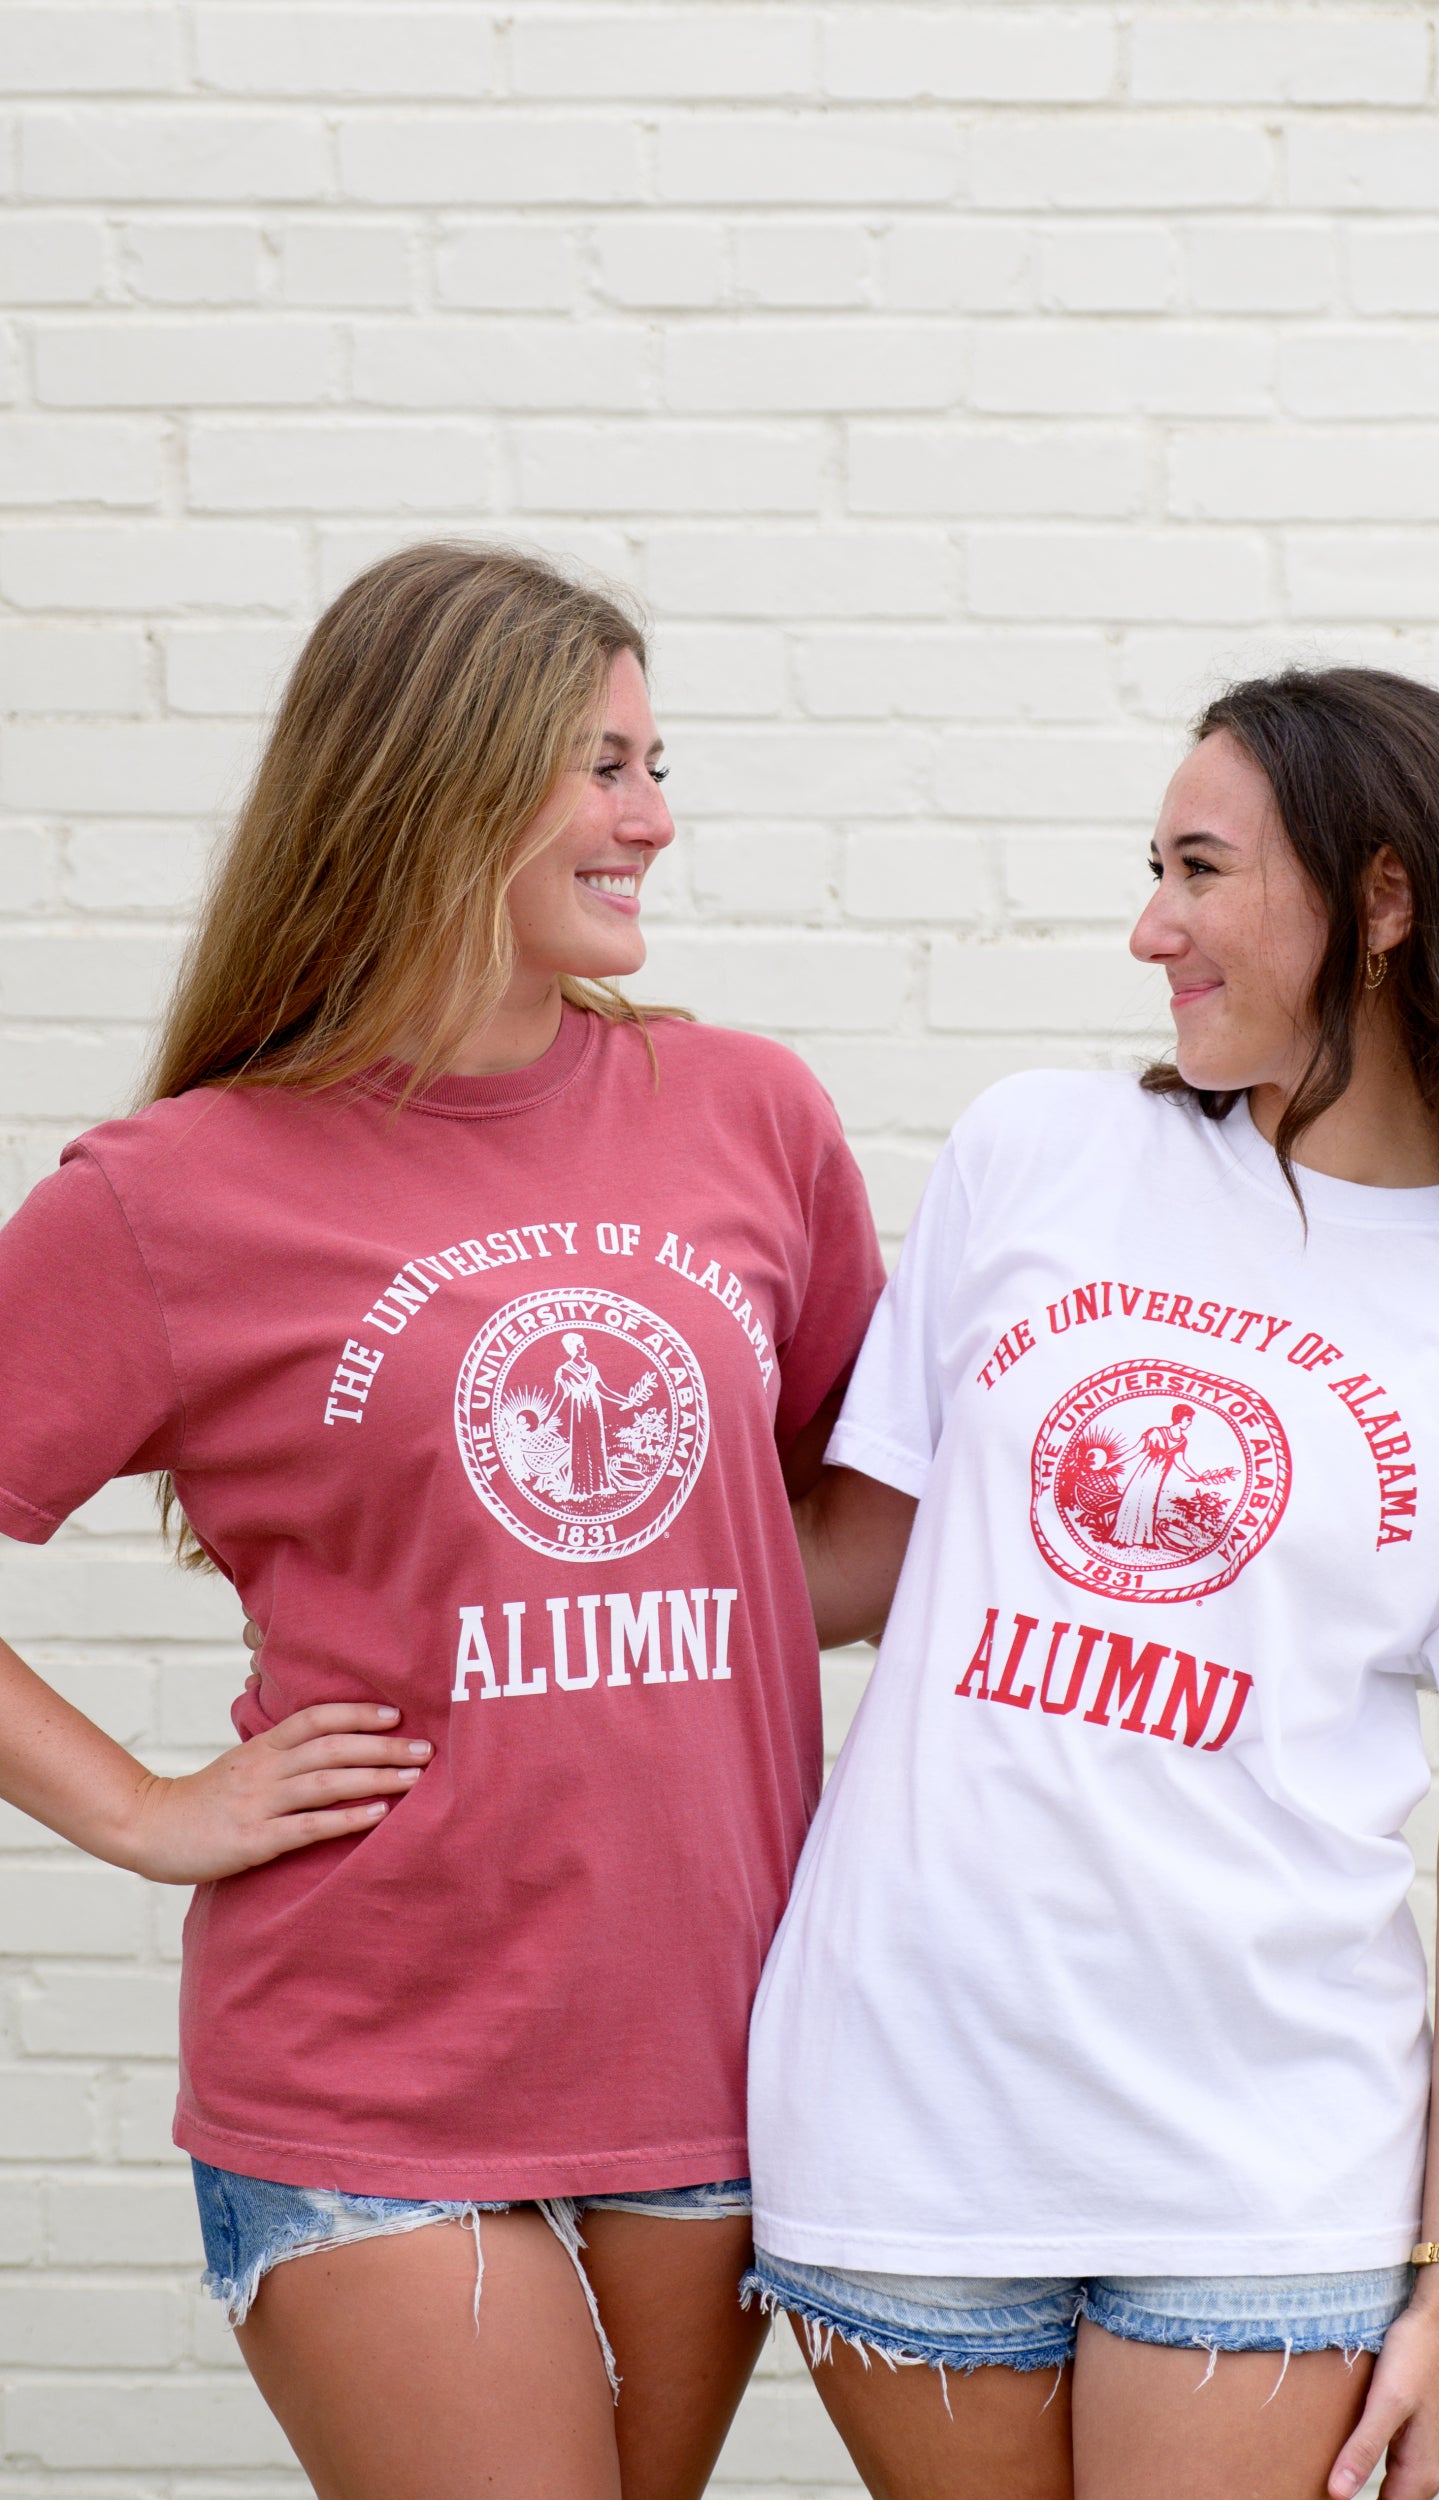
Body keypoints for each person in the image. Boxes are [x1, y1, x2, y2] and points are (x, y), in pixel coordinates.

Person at [0, 542, 884, 2500]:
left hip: (712, 2045)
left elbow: (844, 1531)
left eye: (660, 763)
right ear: (436, 775)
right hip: (368, 2061)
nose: (653, 817)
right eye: (601, 764)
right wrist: (142, 1808)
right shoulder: (170, 1194)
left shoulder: (752, 1113)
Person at [744, 666, 1439, 2500]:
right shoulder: (1037, 1153)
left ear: (1384, 902)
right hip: (903, 2113)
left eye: (1199, 869)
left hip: (1264, 2163)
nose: (1147, 927)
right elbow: (854, 1557)